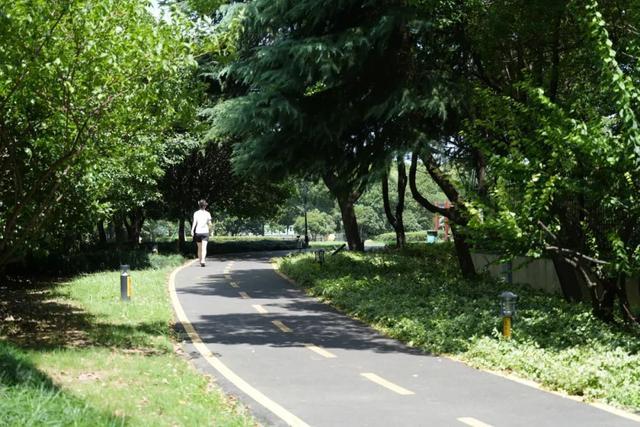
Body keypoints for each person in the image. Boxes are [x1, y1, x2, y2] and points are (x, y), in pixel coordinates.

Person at [191, 199, 212, 267]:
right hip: (205, 232)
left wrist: (192, 230)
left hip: (198, 232)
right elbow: (210, 224)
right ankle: (203, 260)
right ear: (205, 206)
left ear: (199, 205)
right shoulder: (207, 213)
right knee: (204, 247)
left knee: (199, 248)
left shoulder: (196, 213)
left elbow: (194, 222)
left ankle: (201, 260)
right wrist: (210, 230)